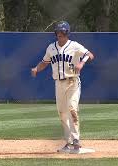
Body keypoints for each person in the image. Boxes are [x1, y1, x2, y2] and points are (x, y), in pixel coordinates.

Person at [31, 21, 95, 153]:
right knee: (62, 113)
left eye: (62, 33)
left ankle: (76, 141)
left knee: (72, 108)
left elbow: (90, 55)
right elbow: (45, 62)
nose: (59, 35)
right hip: (58, 83)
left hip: (72, 82)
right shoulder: (51, 48)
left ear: (67, 34)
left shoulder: (74, 45)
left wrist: (81, 63)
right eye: (58, 33)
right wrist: (37, 68)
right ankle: (68, 142)